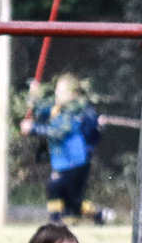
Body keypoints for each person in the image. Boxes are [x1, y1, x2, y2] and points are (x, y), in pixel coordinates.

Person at [20, 73, 113, 225]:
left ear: (73, 95)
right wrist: (33, 96)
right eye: (57, 90)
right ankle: (99, 215)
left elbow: (59, 132)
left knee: (53, 187)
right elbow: (40, 109)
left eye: (62, 91)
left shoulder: (75, 110)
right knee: (72, 202)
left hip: (74, 162)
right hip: (62, 161)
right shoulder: (57, 107)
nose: (57, 94)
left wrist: (33, 129)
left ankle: (55, 220)